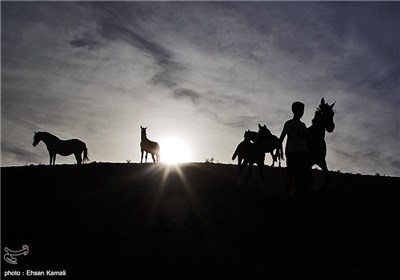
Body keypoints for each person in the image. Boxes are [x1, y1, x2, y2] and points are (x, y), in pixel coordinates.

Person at [279, 101, 311, 198]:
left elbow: (308, 137)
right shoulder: (289, 123)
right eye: (301, 110)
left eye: (303, 111)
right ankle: (289, 194)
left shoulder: (303, 125)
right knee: (293, 174)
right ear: (295, 111)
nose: (302, 112)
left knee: (299, 175)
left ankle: (296, 195)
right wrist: (278, 149)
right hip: (294, 151)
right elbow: (282, 137)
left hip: (302, 152)